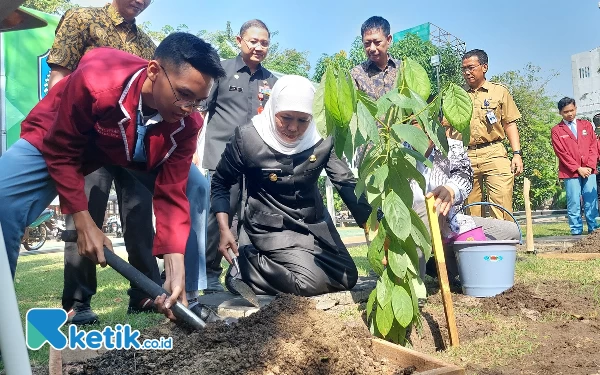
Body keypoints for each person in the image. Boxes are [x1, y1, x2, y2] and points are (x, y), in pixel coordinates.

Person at [0, 32, 226, 322]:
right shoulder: (97, 81)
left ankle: (186, 296)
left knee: (195, 185)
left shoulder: (186, 122)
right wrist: (84, 222)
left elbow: (172, 190)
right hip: (63, 138)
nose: (188, 110)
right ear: (154, 71)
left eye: (198, 101)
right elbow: (62, 150)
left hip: (133, 146)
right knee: (3, 201)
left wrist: (174, 267)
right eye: (182, 95)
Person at [45, 0, 169, 325]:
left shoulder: (147, 45)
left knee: (141, 220)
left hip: (131, 144)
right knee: (85, 215)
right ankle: (78, 303)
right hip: (89, 139)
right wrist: (61, 129)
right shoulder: (84, 19)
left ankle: (145, 295)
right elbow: (60, 74)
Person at [211, 75, 372, 296]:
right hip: (272, 227)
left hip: (314, 224)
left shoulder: (321, 138)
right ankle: (244, 268)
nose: (293, 128)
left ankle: (264, 269)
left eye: (302, 120)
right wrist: (224, 228)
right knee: (306, 283)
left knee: (347, 277)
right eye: (285, 118)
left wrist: (372, 223)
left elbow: (344, 181)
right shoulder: (248, 138)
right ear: (273, 108)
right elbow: (221, 182)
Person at [202, 19, 277, 292]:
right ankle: (210, 273)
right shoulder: (219, 72)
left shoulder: (272, 81)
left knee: (253, 215)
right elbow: (200, 111)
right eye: (253, 41)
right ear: (239, 40)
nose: (259, 47)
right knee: (218, 215)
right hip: (222, 159)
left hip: (257, 161)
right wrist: (193, 153)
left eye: (265, 43)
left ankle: (247, 272)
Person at [408, 129, 520, 281]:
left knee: (511, 232)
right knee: (433, 206)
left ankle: (441, 267)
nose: (423, 129)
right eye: (416, 123)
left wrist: (451, 189)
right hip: (411, 226)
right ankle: (413, 286)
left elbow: (464, 176)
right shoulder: (396, 151)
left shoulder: (453, 147)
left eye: (427, 123)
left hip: (449, 223)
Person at [461, 49, 523, 220]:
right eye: (464, 68)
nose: (467, 72)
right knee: (470, 206)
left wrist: (516, 154)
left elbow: (509, 123)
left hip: (493, 152)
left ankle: (503, 244)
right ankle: (476, 244)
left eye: (471, 67)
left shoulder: (499, 92)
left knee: (501, 201)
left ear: (485, 67)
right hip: (466, 155)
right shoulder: (458, 95)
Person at [551, 98, 598, 235]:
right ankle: (576, 231)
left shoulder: (586, 125)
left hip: (589, 171)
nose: (570, 114)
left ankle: (594, 231)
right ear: (560, 112)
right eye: (566, 112)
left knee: (591, 200)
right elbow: (561, 153)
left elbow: (593, 146)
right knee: (574, 203)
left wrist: (589, 166)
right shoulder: (557, 130)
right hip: (570, 172)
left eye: (572, 110)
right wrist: (578, 168)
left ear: (576, 108)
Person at [350, 16, 400, 101]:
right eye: (367, 43)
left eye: (377, 42)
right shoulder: (356, 74)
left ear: (388, 40)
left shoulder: (402, 68)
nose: (372, 48)